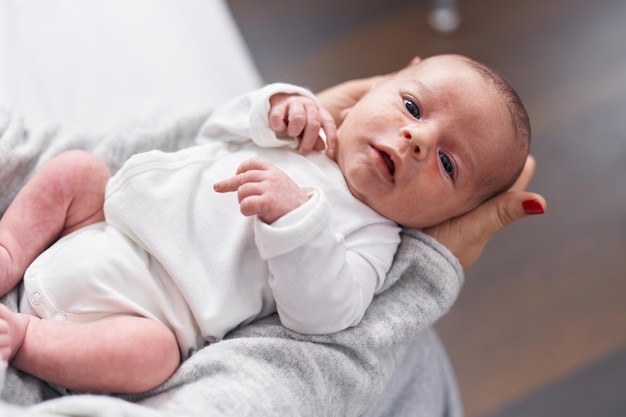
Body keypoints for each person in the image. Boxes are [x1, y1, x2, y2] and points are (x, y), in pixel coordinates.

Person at [0, 54, 538, 395]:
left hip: (143, 312)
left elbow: (322, 314)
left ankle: (23, 338)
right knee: (77, 170)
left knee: (155, 359)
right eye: (412, 106)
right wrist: (274, 106)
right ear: (386, 83)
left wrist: (298, 218)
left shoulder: (374, 242)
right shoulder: (307, 130)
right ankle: (8, 256)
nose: (417, 139)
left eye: (448, 164)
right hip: (104, 228)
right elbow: (215, 131)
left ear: (452, 215)